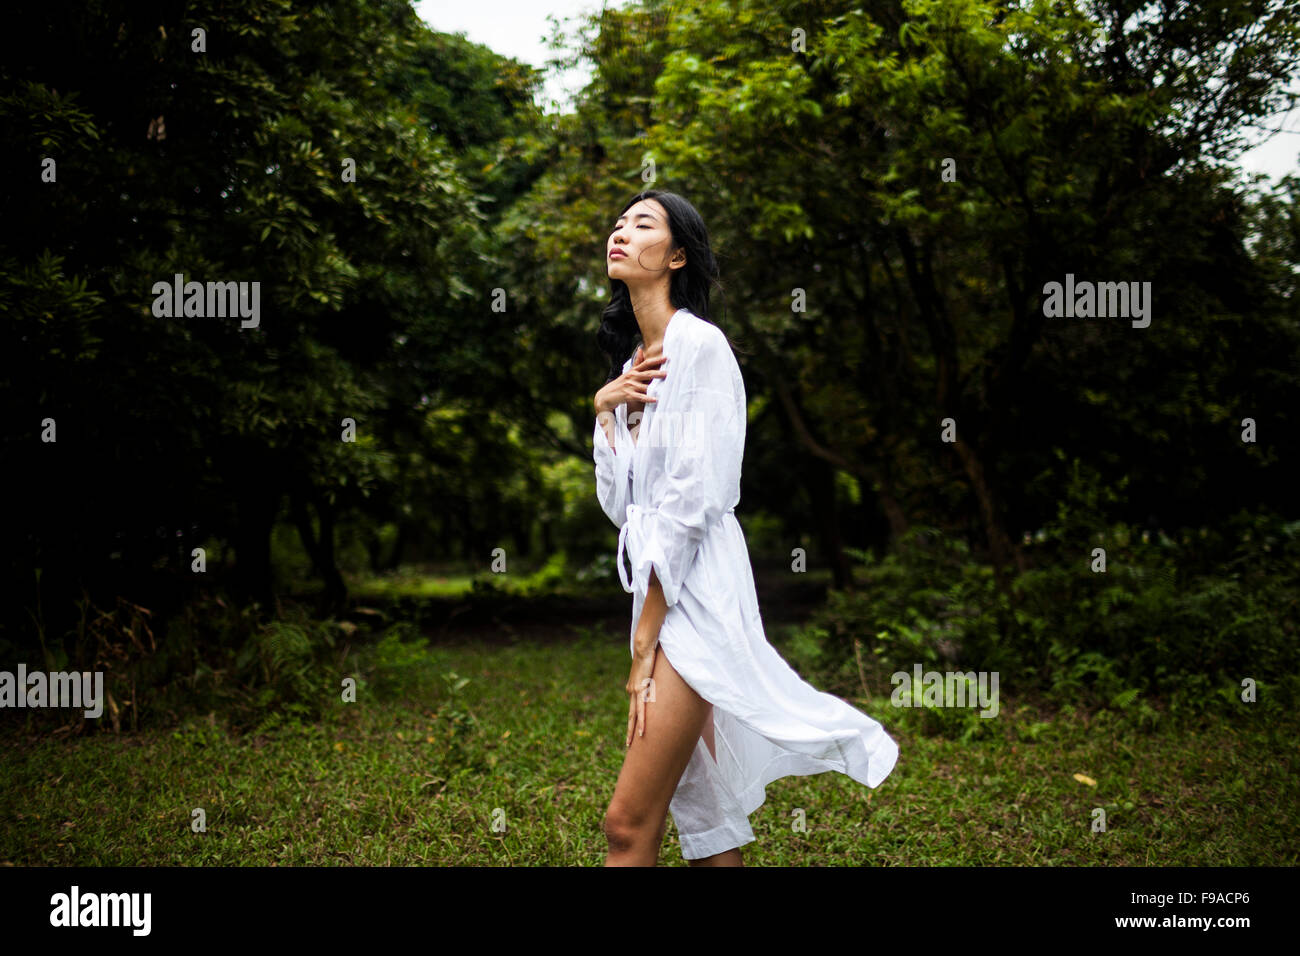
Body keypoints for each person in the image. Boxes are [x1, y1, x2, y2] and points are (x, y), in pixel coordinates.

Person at [592, 189, 899, 867]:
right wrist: (604, 411)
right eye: (618, 223)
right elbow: (623, 507)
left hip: (695, 597)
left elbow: (695, 502)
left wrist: (646, 639)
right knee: (706, 817)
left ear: (675, 256)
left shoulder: (700, 346)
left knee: (626, 824)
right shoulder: (630, 371)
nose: (620, 231)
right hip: (659, 593)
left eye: (642, 223)